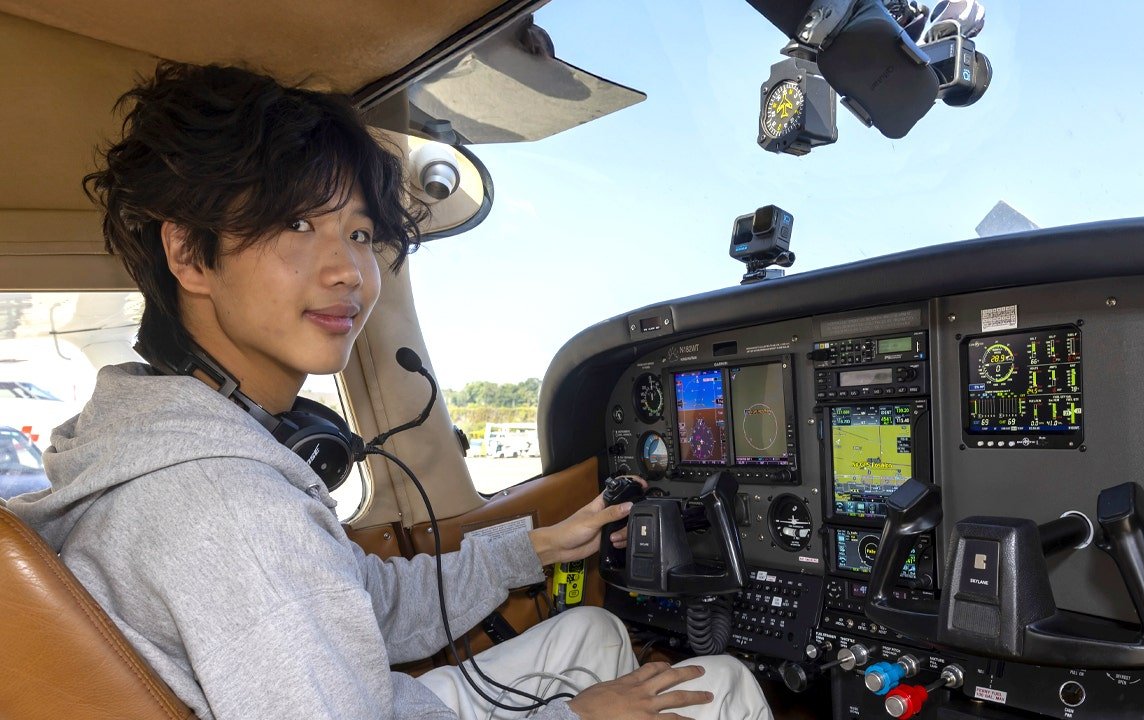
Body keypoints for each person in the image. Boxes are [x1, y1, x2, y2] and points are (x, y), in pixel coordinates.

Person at [4, 63, 771, 720]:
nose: (349, 270)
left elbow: (360, 602)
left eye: (361, 233)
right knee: (723, 684)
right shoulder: (233, 511)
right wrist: (577, 715)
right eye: (296, 222)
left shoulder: (164, 443)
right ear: (189, 254)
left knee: (593, 636)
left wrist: (536, 547)